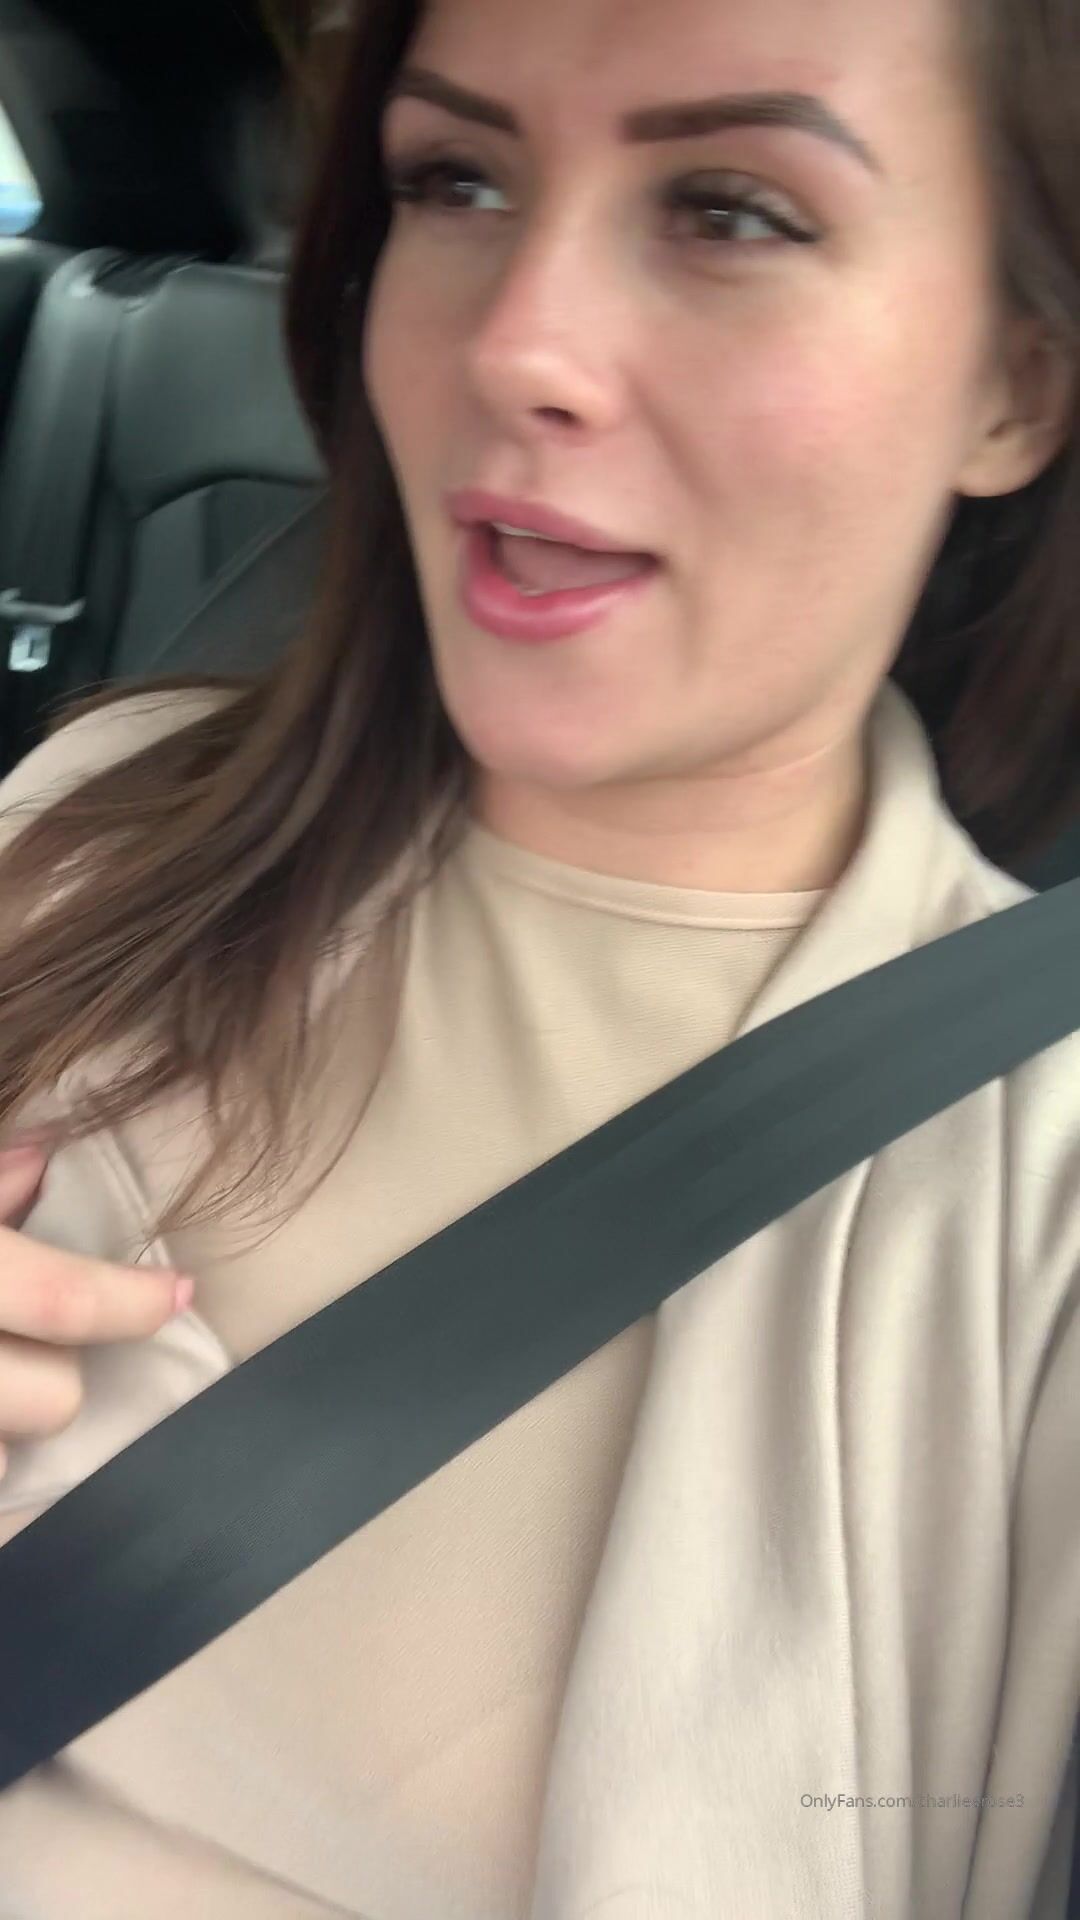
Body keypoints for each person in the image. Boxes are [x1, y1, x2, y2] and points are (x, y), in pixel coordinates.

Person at [0, 0, 1078, 1911]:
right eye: (457, 181)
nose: (515, 343)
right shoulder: (86, 830)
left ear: (1018, 381)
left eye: (732, 209)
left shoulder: (1041, 1195)